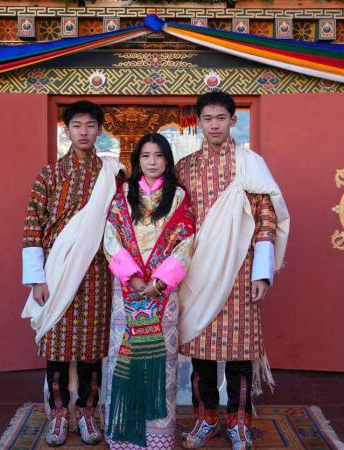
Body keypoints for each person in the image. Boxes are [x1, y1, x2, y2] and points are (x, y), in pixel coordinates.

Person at [175, 91, 290, 450]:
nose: (214, 125)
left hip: (241, 272)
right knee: (201, 352)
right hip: (197, 272)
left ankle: (239, 422)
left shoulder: (249, 163)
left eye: (221, 118)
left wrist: (262, 272)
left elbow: (266, 218)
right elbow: (176, 222)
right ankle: (205, 418)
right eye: (207, 119)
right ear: (198, 121)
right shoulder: (185, 168)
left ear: (232, 121)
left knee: (240, 355)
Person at [21, 100, 123, 447]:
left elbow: (119, 223)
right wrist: (37, 278)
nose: (84, 131)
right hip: (57, 269)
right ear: (66, 130)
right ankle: (60, 414)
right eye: (77, 125)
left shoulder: (111, 174)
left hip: (97, 270)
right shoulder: (49, 175)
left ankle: (87, 413)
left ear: (99, 130)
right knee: (58, 346)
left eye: (91, 125)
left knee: (92, 348)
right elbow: (32, 226)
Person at [103, 133, 195, 450]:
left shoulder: (179, 197)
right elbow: (111, 237)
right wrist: (132, 276)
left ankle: (158, 437)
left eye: (158, 155)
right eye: (145, 156)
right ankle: (125, 437)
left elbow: (186, 242)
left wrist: (158, 281)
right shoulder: (123, 195)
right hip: (127, 290)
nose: (152, 162)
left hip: (163, 293)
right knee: (123, 360)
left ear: (167, 160)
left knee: (161, 363)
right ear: (137, 160)